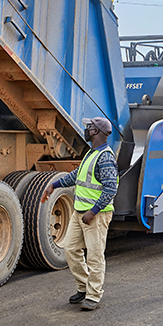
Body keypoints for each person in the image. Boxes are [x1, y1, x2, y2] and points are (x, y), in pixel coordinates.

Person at [49, 116, 118, 311]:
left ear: (96, 131)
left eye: (89, 127)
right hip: (79, 213)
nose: (86, 130)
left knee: (94, 257)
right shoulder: (91, 153)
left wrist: (93, 211)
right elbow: (76, 176)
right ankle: (84, 287)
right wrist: (53, 185)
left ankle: (94, 295)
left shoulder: (105, 157)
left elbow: (111, 188)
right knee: (70, 249)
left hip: (95, 216)